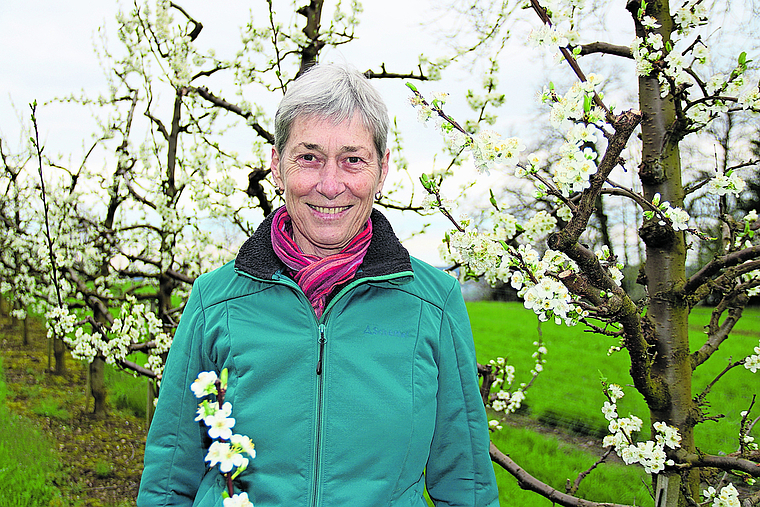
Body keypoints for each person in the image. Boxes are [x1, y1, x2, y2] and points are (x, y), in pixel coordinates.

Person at [137, 63, 500, 507]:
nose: (330, 185)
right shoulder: (216, 302)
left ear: (382, 170)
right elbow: (170, 474)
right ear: (276, 165)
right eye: (308, 157)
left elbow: (467, 483)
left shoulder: (432, 303)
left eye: (353, 160)